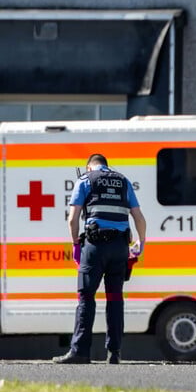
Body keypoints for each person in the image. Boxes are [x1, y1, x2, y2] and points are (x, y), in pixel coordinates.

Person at [53, 154, 147, 365]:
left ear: (89, 166)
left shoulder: (85, 180)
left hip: (95, 247)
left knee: (86, 297)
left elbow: (72, 218)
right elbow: (139, 217)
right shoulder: (123, 181)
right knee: (115, 299)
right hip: (120, 248)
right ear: (106, 165)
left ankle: (80, 352)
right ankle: (114, 353)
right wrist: (141, 243)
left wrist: (76, 245)